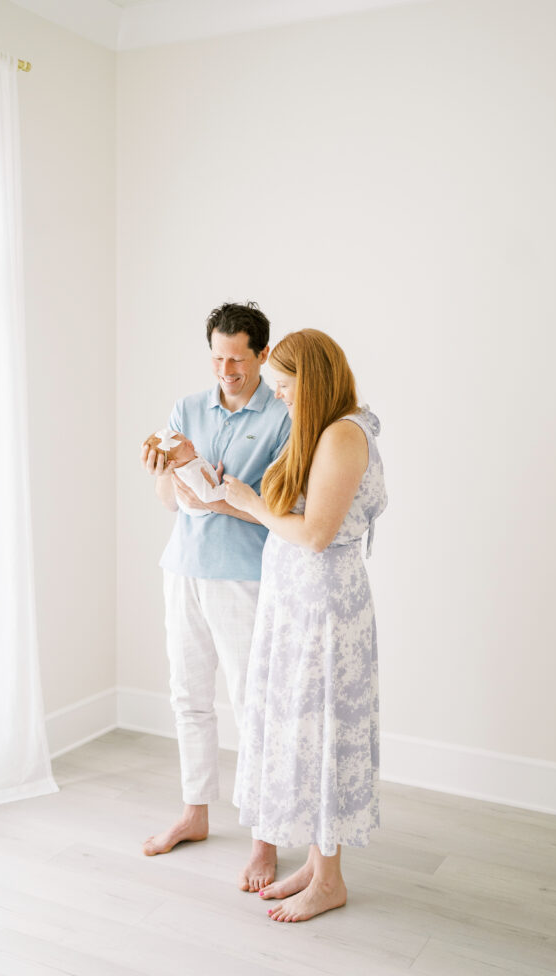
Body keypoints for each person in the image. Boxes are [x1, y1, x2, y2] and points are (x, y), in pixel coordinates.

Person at [224, 328, 388, 922]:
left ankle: (331, 880)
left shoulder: (344, 435)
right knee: (303, 729)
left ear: (312, 381)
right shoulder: (324, 432)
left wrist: (251, 505)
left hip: (323, 609)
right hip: (298, 604)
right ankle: (318, 866)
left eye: (287, 388)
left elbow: (316, 535)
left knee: (322, 733)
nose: (283, 399)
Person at [140, 301, 291, 892]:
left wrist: (205, 481)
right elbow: (168, 499)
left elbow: (274, 511)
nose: (226, 370)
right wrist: (163, 470)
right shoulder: (185, 409)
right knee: (188, 696)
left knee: (254, 705)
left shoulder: (282, 416)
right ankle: (195, 813)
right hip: (182, 567)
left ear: (262, 356)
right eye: (217, 358)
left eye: (237, 359)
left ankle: (265, 838)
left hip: (244, 576)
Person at [142, 429, 227, 513]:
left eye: (185, 438)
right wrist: (227, 488)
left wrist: (213, 475)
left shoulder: (187, 457)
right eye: (185, 445)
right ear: (172, 462)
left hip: (204, 488)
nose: (190, 442)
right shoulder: (191, 474)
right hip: (202, 506)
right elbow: (207, 496)